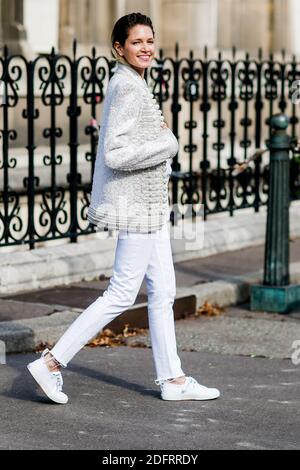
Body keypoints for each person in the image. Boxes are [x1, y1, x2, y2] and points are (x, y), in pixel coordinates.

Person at [27, 12, 220, 404]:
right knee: (120, 292)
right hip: (137, 208)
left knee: (164, 291)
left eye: (150, 40)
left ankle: (173, 380)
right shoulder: (127, 86)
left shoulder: (135, 83)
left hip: (150, 206)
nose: (146, 47)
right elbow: (115, 153)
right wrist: (167, 144)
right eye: (137, 42)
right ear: (119, 48)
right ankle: (51, 362)